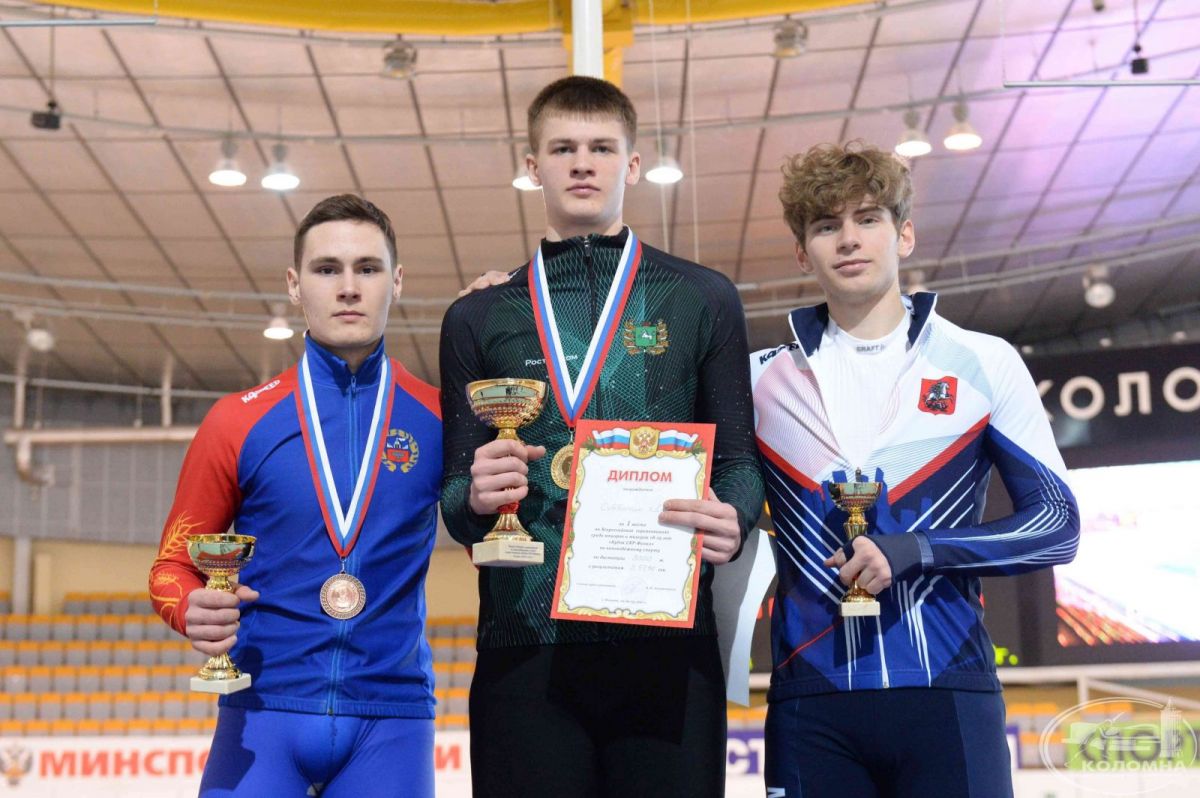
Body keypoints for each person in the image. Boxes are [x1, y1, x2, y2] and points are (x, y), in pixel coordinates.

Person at [439, 76, 764, 798]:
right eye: (563, 148)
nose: (582, 163)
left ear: (633, 164)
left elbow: (741, 462)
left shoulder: (701, 297)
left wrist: (735, 516)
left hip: (667, 641)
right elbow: (456, 501)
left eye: (601, 147)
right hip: (525, 644)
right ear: (533, 167)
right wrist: (477, 498)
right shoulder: (479, 316)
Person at [750, 142, 1081, 797]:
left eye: (868, 219)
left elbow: (1057, 525)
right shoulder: (760, 379)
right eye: (826, 226)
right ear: (802, 253)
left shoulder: (981, 361)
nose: (848, 239)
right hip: (810, 703)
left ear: (904, 235)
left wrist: (917, 549)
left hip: (947, 693)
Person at [149, 195, 442, 797]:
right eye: (327, 269)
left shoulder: (441, 419)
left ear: (397, 281)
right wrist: (189, 607)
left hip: (392, 720)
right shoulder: (236, 422)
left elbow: (488, 534)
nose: (349, 287)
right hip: (262, 714)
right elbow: (171, 567)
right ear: (294, 284)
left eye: (368, 268)